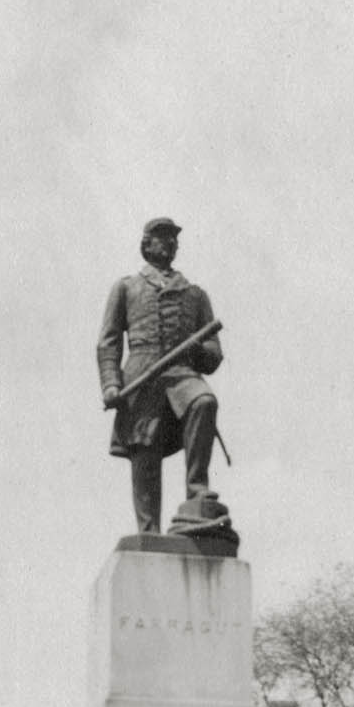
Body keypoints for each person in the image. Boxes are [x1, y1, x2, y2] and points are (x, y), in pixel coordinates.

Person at [97, 218, 223, 535]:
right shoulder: (126, 287)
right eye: (160, 238)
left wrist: (196, 351)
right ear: (146, 244)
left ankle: (197, 493)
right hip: (141, 376)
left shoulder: (195, 294)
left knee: (204, 402)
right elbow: (108, 341)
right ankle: (148, 529)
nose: (168, 244)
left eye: (172, 239)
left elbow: (213, 354)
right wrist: (111, 383)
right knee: (145, 447)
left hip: (182, 373)